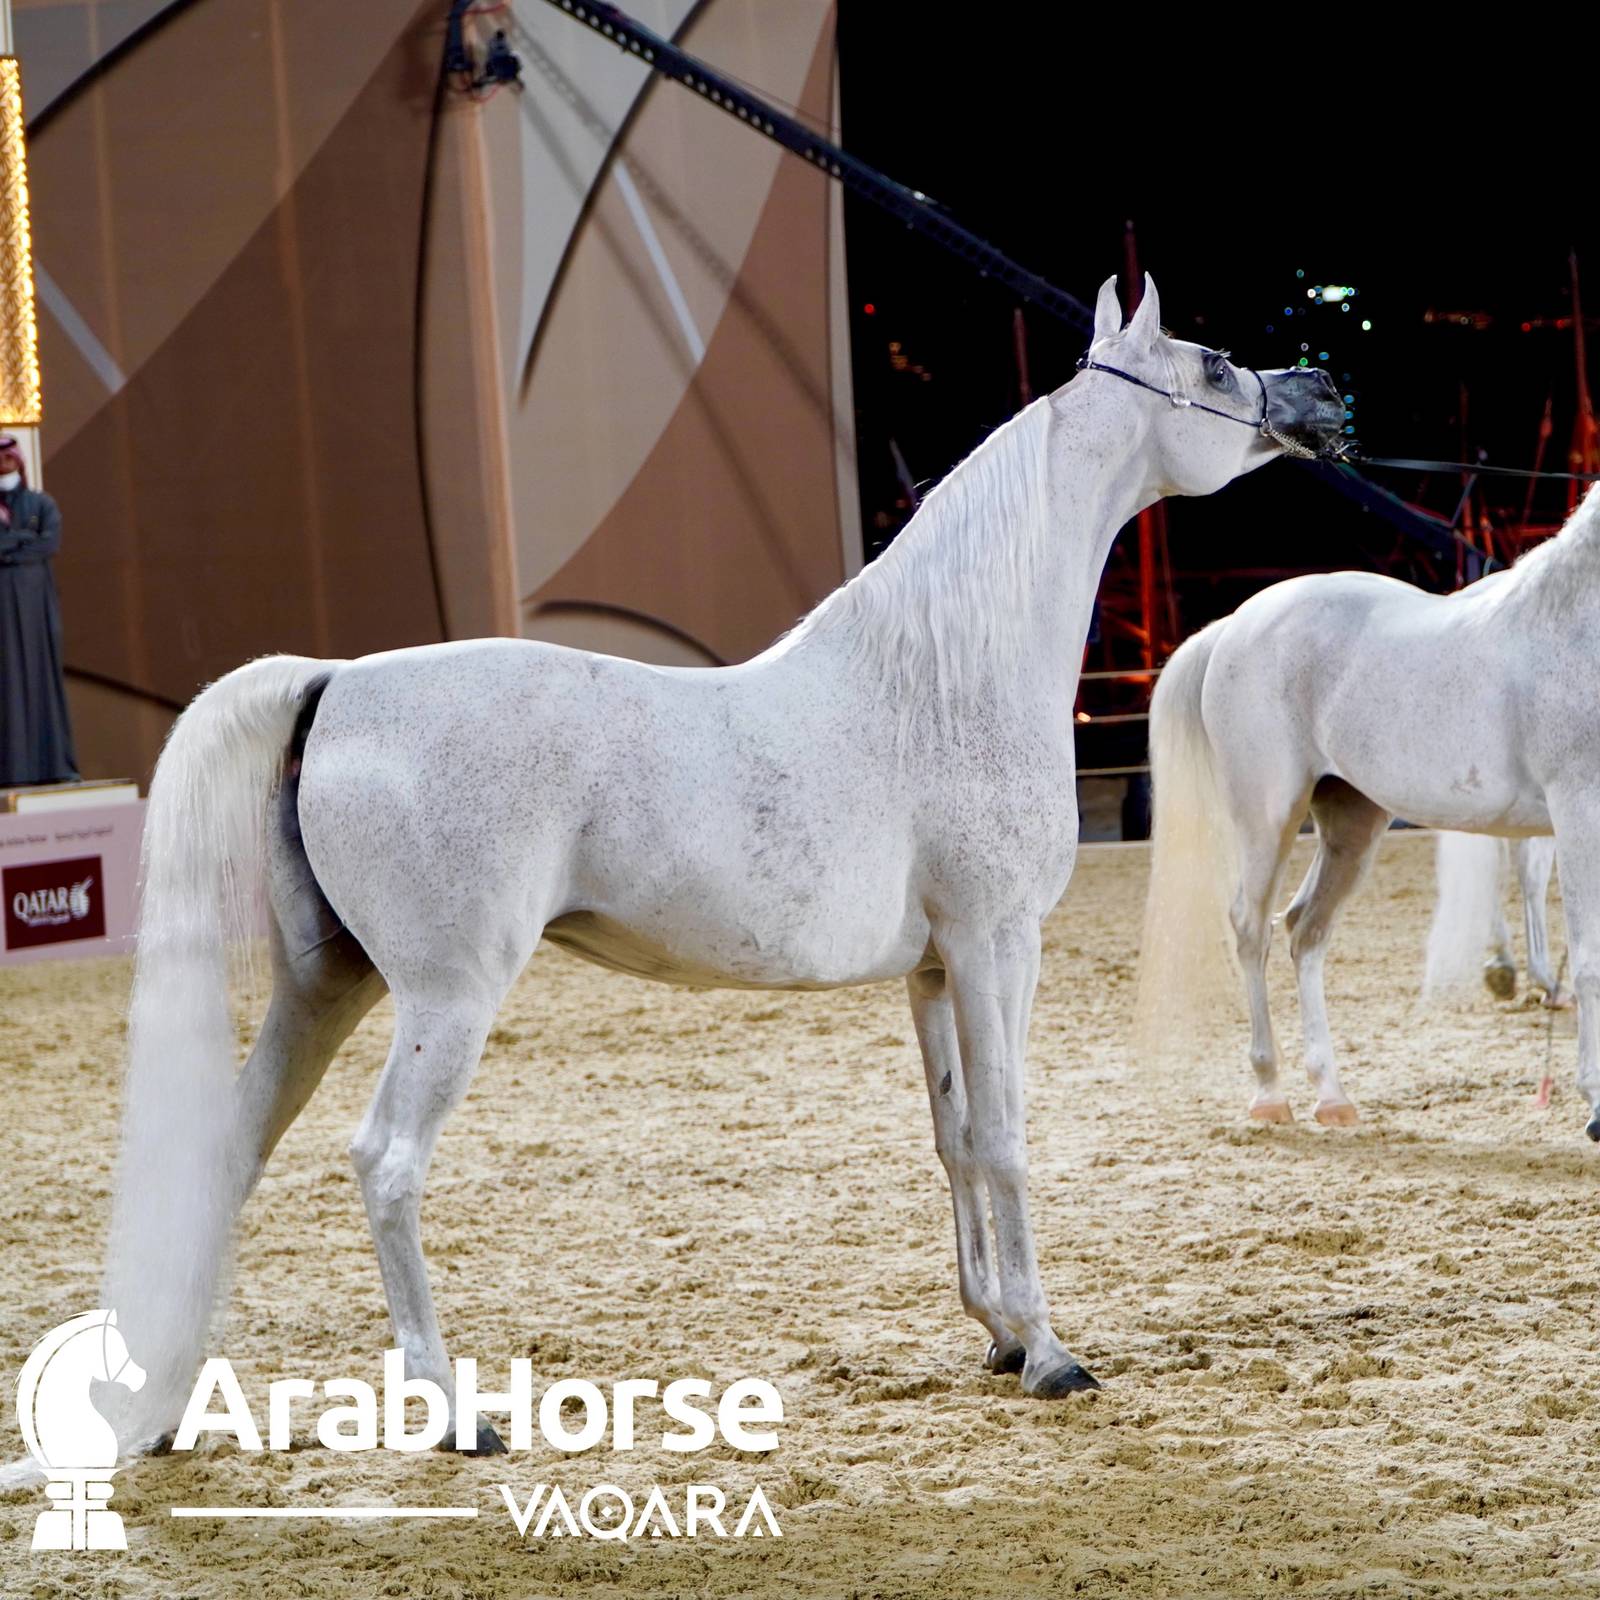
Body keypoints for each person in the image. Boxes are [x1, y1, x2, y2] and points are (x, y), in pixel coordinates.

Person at [0, 433, 78, 785]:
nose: (4, 462)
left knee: (38, 678)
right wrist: (23, 540)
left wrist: (9, 546)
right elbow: (35, 542)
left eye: (9, 455)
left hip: (36, 611)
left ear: (18, 459)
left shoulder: (41, 503)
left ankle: (51, 766)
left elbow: (49, 542)